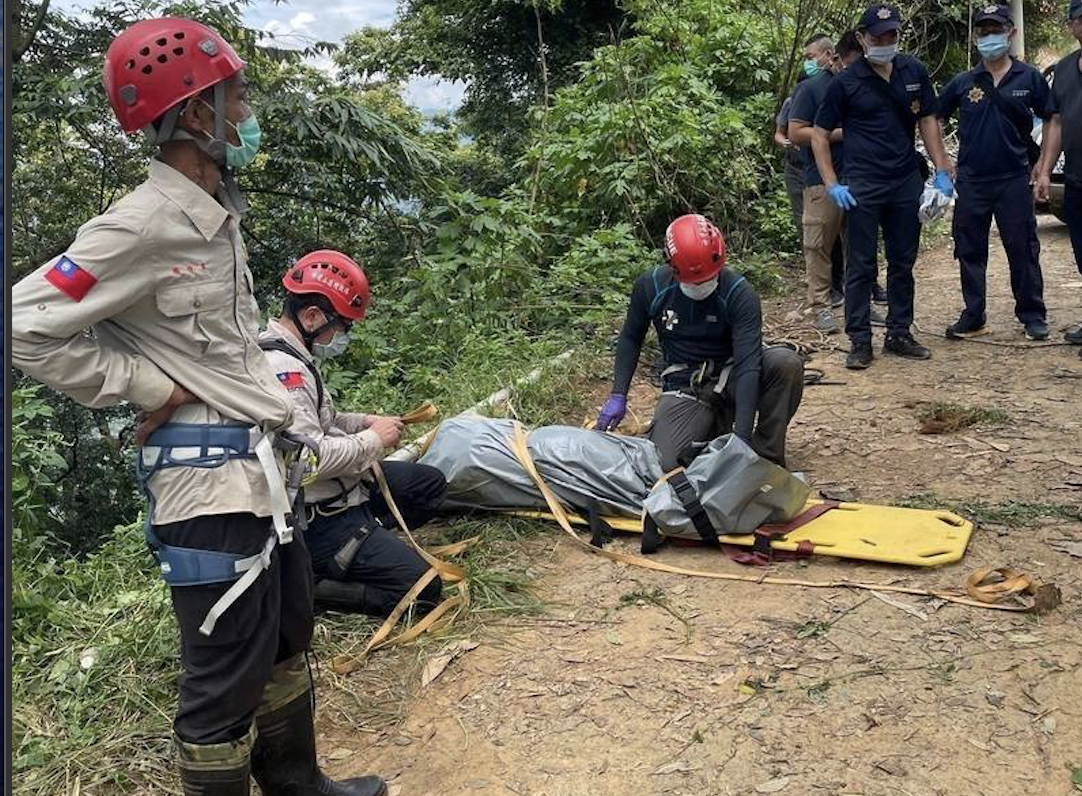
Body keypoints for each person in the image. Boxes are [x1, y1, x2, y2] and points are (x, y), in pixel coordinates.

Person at [10, 18, 386, 796]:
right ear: (194, 113)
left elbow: (212, 347)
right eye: (236, 98)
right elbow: (23, 325)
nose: (246, 114)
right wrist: (156, 388)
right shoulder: (141, 224)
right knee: (223, 678)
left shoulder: (214, 216)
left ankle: (298, 785)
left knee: (284, 639)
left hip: (262, 474)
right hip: (206, 487)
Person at [259, 250, 448, 618]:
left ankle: (368, 541)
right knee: (423, 590)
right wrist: (373, 440)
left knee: (428, 486)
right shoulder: (282, 370)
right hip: (318, 516)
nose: (342, 335)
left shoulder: (296, 354)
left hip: (345, 488)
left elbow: (323, 419)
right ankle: (318, 584)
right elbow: (307, 460)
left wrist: (364, 422)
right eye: (342, 326)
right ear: (312, 316)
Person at [595, 214, 804, 472]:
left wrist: (743, 438)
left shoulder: (738, 294)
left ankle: (765, 458)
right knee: (665, 464)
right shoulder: (652, 287)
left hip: (733, 376)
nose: (701, 285)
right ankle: (712, 432)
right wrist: (618, 394)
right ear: (672, 266)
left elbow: (749, 365)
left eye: (708, 278)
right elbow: (630, 337)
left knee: (785, 364)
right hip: (687, 385)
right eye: (693, 281)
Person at [811, 4, 955, 370]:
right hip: (863, 184)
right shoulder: (846, 82)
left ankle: (899, 333)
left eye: (892, 34)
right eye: (878, 37)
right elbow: (819, 135)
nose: (886, 42)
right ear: (862, 38)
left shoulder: (913, 71)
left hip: (905, 180)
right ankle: (860, 340)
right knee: (861, 265)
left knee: (903, 261)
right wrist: (831, 183)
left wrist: (941, 169)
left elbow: (927, 120)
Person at [938, 4, 1050, 341]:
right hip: (971, 180)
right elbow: (933, 117)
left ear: (1010, 33)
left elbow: (1051, 119)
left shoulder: (1029, 77)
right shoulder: (963, 82)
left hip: (1014, 178)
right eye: (983, 32)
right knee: (969, 249)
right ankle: (973, 314)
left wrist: (1043, 164)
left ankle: (1032, 314)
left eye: (996, 31)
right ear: (975, 37)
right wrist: (943, 161)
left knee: (1023, 248)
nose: (990, 37)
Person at [789, 31, 877, 334]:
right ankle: (821, 307)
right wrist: (838, 133)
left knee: (861, 246)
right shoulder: (811, 88)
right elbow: (795, 132)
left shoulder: (862, 84)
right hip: (821, 182)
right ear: (833, 57)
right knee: (818, 246)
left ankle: (862, 303)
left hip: (860, 177)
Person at [1036, 0, 1082, 358]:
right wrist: (1045, 169)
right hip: (1077, 180)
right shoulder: (1065, 69)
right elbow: (1055, 122)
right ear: (1072, 26)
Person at [775, 81, 808, 242]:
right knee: (801, 219)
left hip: (816, 169)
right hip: (794, 168)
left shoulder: (821, 100)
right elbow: (779, 134)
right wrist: (786, 142)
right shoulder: (790, 103)